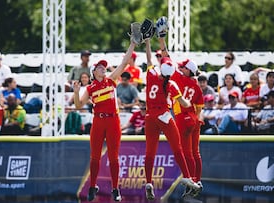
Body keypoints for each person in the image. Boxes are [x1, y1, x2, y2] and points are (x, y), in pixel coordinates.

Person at [73, 35, 137, 202]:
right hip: (99, 120)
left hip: (113, 120)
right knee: (94, 157)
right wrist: (75, 91)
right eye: (100, 67)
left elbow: (124, 63)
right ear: (94, 71)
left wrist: (132, 44)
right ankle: (93, 186)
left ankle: (115, 188)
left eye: (104, 67)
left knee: (114, 157)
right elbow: (79, 106)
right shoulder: (91, 87)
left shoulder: (110, 81)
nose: (104, 68)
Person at [142, 34, 200, 200]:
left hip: (149, 116)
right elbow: (185, 104)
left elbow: (148, 58)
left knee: (149, 152)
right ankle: (187, 177)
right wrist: (190, 101)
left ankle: (148, 182)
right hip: (164, 115)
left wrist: (147, 41)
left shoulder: (152, 75)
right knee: (177, 148)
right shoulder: (172, 84)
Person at [171, 56, 205, 194]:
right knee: (196, 153)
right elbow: (199, 107)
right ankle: (197, 180)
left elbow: (168, 64)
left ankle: (191, 182)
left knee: (187, 153)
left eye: (183, 67)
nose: (180, 68)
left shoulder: (180, 79)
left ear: (188, 70)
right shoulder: (196, 85)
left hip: (182, 118)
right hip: (194, 118)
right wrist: (195, 119)